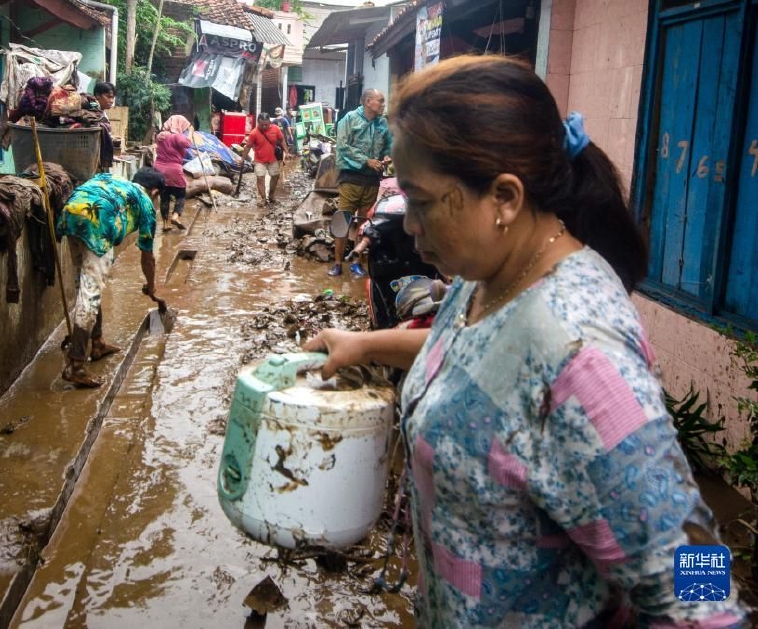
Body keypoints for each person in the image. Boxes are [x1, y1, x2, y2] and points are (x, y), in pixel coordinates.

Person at [304, 56, 747, 627]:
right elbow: (481, 354)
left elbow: (697, 573)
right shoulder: (490, 277)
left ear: (506, 198)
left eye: (419, 200)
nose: (407, 224)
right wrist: (362, 346)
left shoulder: (584, 357)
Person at [56, 167, 166, 388]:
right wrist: (152, 286)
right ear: (154, 192)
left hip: (71, 213)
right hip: (98, 222)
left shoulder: (112, 179)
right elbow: (147, 257)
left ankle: (97, 343)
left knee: (87, 283)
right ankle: (75, 365)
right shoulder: (145, 203)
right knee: (91, 291)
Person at [329, 88, 392, 277]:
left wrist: (387, 155)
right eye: (380, 101)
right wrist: (366, 160)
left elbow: (389, 144)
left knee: (364, 223)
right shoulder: (349, 119)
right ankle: (338, 263)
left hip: (372, 180)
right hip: (351, 178)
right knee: (344, 220)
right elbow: (343, 146)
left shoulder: (382, 123)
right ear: (367, 102)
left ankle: (357, 262)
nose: (383, 104)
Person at [154, 114, 194, 231]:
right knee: (181, 194)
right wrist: (191, 132)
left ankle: (166, 224)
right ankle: (175, 216)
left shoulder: (160, 136)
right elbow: (188, 143)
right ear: (179, 125)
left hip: (159, 169)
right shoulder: (177, 137)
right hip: (174, 170)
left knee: (164, 196)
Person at [240, 112, 288, 206]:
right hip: (259, 160)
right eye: (262, 125)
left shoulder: (276, 129)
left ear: (270, 121)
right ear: (258, 122)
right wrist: (242, 159)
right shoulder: (254, 133)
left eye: (266, 124)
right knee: (260, 177)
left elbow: (282, 139)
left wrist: (286, 151)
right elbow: (248, 147)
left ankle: (271, 195)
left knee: (275, 176)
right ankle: (263, 198)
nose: (264, 126)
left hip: (273, 159)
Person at [93, 81, 116, 172]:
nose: (111, 100)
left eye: (113, 97)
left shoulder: (102, 112)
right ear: (98, 95)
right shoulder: (92, 110)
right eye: (109, 97)